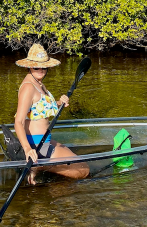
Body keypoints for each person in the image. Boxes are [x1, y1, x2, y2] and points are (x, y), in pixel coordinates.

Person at [14, 43, 90, 184]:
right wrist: (27, 149)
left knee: (79, 161)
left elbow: (40, 108)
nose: (40, 70)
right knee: (83, 170)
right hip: (36, 145)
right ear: (28, 66)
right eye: (36, 66)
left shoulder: (39, 83)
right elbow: (18, 122)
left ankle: (41, 171)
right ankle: (39, 167)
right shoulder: (28, 88)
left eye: (43, 66)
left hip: (44, 141)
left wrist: (59, 103)